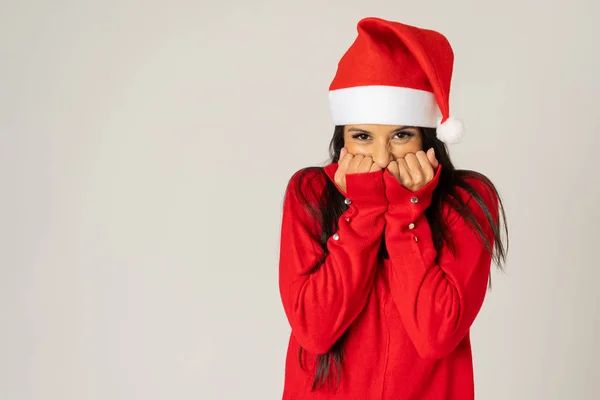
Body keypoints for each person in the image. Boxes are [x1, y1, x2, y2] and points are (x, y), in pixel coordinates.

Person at [277, 17, 508, 399]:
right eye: (362, 137)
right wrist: (364, 211)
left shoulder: (467, 199)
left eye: (401, 135)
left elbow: (436, 336)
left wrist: (408, 211)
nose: (381, 157)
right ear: (343, 136)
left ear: (427, 136)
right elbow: (315, 331)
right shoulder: (310, 193)